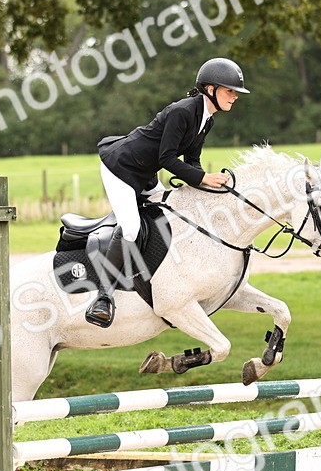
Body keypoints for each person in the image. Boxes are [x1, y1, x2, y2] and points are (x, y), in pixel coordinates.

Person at [85, 57, 249, 328]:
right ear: (210, 88)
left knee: (171, 216)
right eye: (230, 90)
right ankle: (103, 297)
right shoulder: (182, 112)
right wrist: (204, 178)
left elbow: (191, 161)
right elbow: (167, 159)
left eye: (235, 92)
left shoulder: (206, 119)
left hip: (145, 173)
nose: (235, 96)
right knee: (130, 228)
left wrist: (208, 187)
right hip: (121, 168)